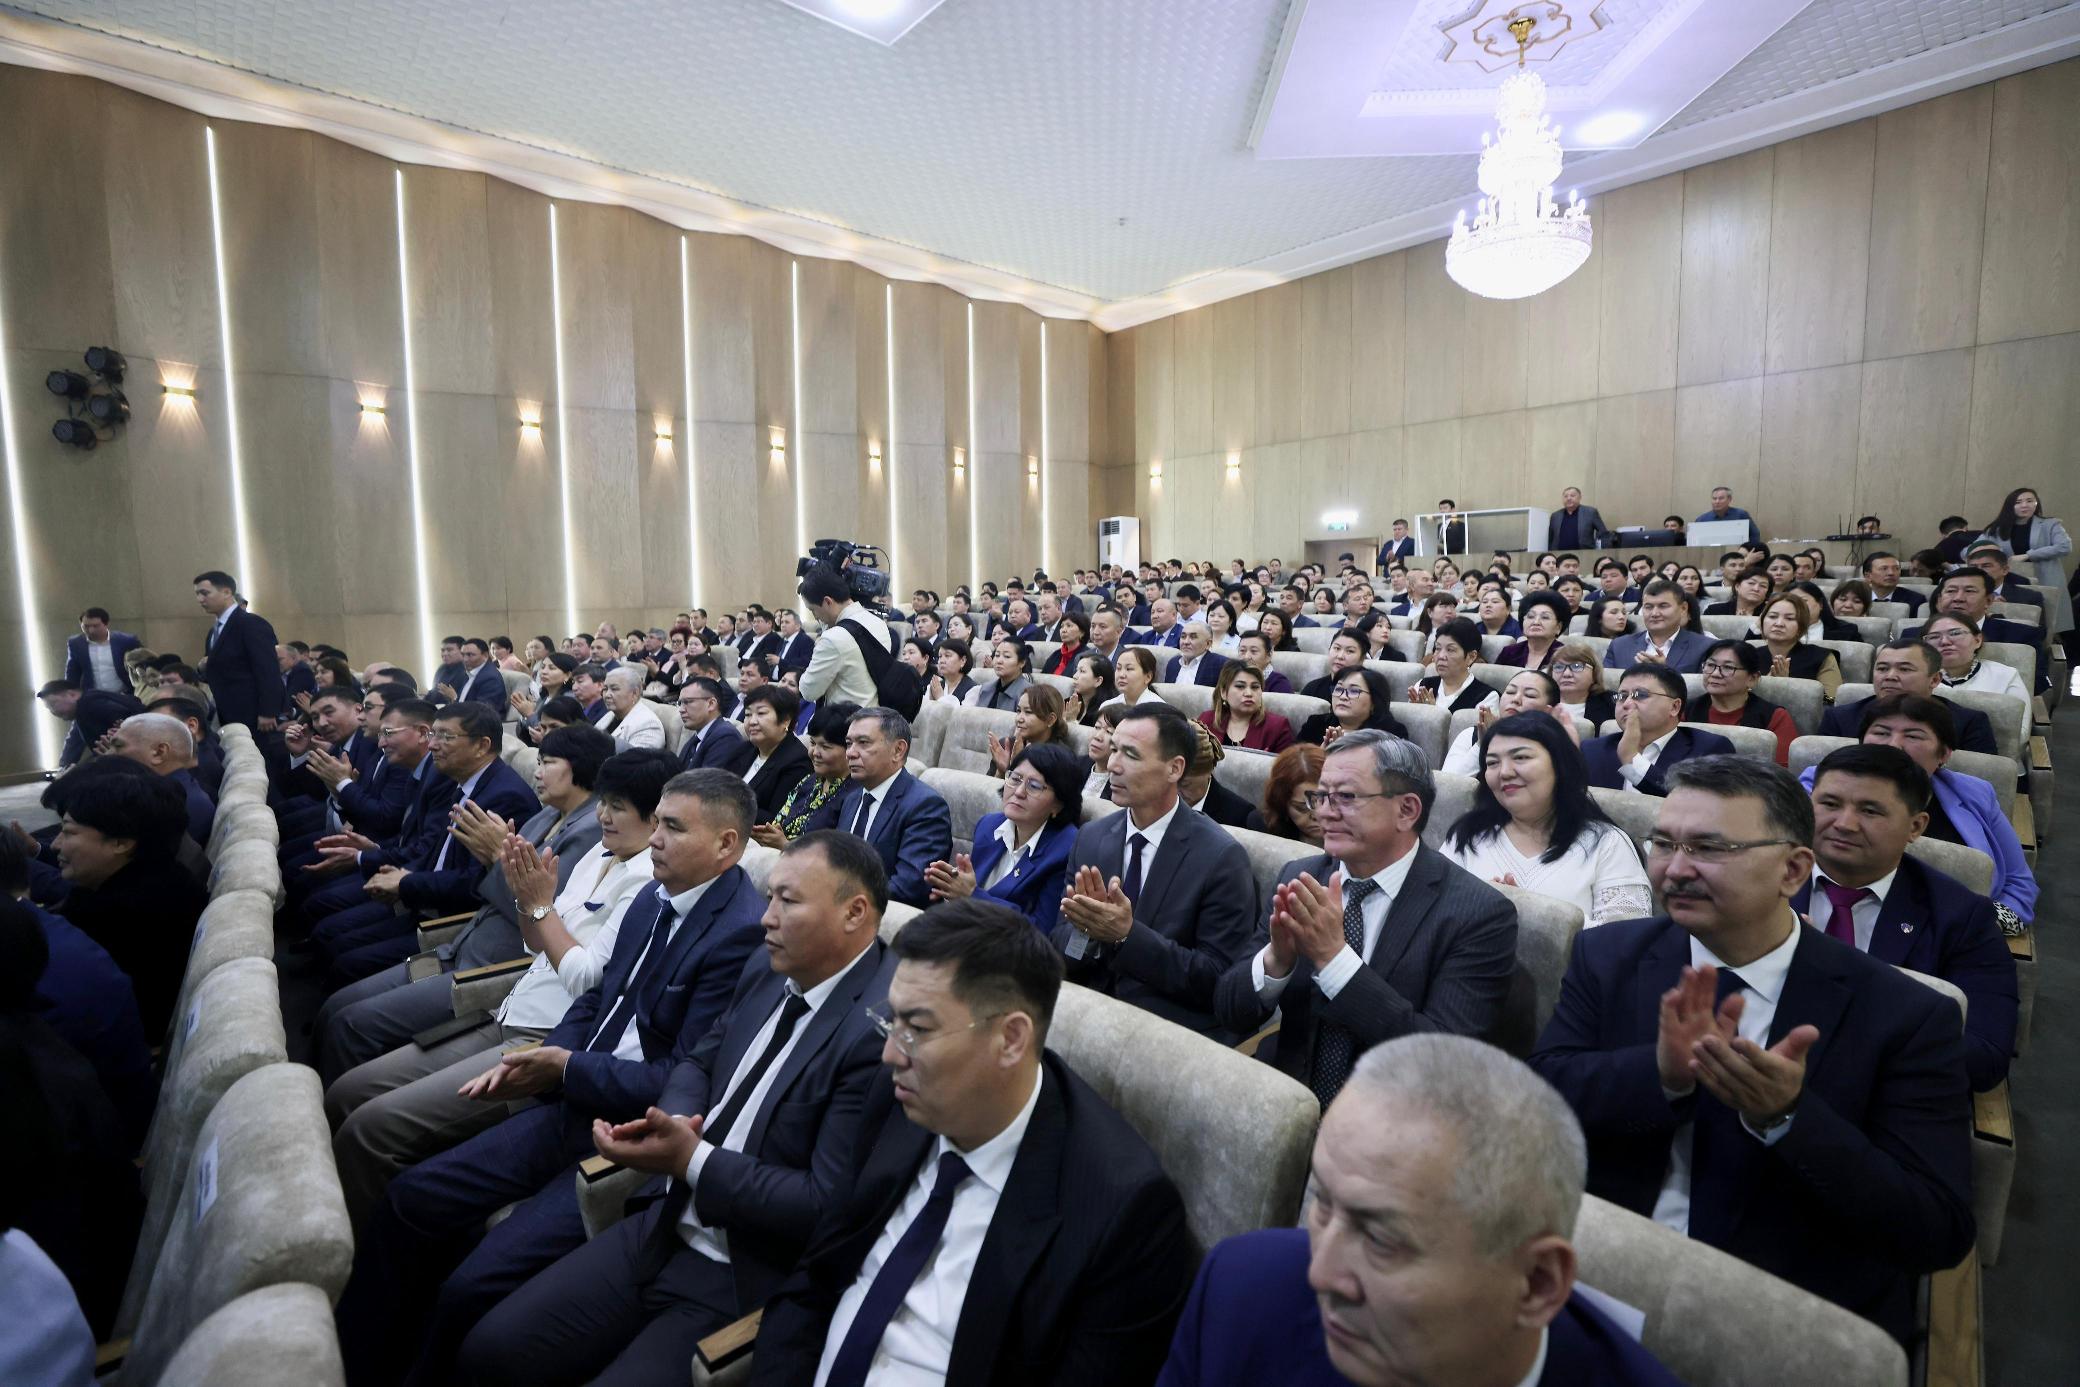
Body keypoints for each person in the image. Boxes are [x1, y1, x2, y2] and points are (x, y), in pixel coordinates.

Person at [334, 770, 769, 1386]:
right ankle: (346, 1362)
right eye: (658, 824)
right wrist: (547, 1062)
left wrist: (566, 1067)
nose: (656, 839)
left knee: (471, 1286)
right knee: (411, 1198)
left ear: (726, 844)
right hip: (570, 1098)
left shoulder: (741, 934)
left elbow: (680, 1078)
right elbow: (596, 1001)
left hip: (624, 1138)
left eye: (673, 828)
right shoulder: (654, 894)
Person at [1530, 757, 1975, 1343]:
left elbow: (1934, 1228)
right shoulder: (1609, 956)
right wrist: (1661, 1076)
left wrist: (1788, 1116)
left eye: (1709, 848)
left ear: (1793, 870)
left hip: (1780, 1309)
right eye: (1664, 844)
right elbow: (1542, 1098)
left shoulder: (1906, 1014)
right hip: (1608, 1266)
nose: (1676, 869)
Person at [456, 831, 897, 1385]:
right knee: (491, 1347)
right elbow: (696, 1062)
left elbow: (821, 1203)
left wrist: (691, 1159)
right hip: (665, 1221)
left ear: (855, 912)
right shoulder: (768, 967)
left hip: (742, 1270)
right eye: (770, 898)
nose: (767, 918)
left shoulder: (882, 1032)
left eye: (788, 901)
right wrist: (677, 1124)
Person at [749, 898, 1195, 1387]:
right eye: (892, 1020)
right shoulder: (901, 1098)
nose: (890, 1053)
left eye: (918, 1028)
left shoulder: (1122, 1213)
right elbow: (816, 1277)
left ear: (1011, 1039)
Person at [1158, 1035, 1683, 1387]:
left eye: (1381, 1240)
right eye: (1323, 1204)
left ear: (1537, 1283)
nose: (1320, 1274)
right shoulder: (1241, 1292)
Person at [324, 735, 640, 1222]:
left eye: (616, 807)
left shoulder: (640, 877)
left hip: (530, 1017)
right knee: (348, 1089)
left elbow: (581, 974)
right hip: (507, 996)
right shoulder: (588, 844)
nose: (604, 815)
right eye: (604, 804)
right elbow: (535, 936)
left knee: (369, 1123)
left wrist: (524, 889)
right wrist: (523, 891)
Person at [1214, 728, 1518, 1099]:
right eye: (1321, 796)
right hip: (1286, 1098)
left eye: (1345, 797)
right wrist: (1275, 961)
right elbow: (1230, 1011)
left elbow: (1443, 1065)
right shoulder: (1302, 876)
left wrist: (1334, 961)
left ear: (1406, 810)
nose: (1324, 812)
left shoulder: (1479, 914)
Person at [1802, 745, 2016, 1091]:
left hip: (1881, 1098)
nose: (1844, 824)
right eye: (1829, 804)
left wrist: (1847, 1000)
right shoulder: (1755, 881)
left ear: (1916, 826)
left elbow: (1985, 1056)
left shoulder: (1961, 916)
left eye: (1870, 811)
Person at [1054, 706, 1257, 1038]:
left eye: (1131, 755)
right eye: (1114, 749)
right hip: (1085, 1011)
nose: (1113, 764)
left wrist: (1126, 935)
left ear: (1174, 768)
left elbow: (1217, 979)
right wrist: (1087, 931)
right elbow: (1061, 940)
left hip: (1164, 1030)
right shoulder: (1092, 837)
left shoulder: (1221, 857)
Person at [1840, 694, 2036, 924]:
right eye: (1881, 733)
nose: (1893, 745)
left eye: (1913, 736)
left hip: (1959, 930)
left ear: (1943, 754)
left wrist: (1980, 926)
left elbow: (2018, 881)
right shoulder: (1821, 786)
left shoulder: (1976, 794)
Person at [1445, 712, 1650, 929]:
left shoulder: (1607, 844)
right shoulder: (1468, 835)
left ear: (1559, 765)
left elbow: (1624, 941)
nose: (1504, 772)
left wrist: (1527, 912)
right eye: (1492, 762)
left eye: (1521, 757)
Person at [47, 761, 207, 1038]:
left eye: (69, 832)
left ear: (121, 843)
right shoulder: (167, 876)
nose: (55, 844)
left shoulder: (115, 916)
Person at [801, 707, 952, 910]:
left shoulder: (925, 807)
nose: (850, 753)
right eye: (849, 743)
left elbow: (909, 889)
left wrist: (836, 898)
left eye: (863, 743)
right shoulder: (852, 799)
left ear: (898, 750)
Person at [925, 743, 1083, 935]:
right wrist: (950, 888)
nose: (1019, 792)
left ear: (1058, 804)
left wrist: (972, 895)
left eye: (1034, 786)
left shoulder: (1068, 849)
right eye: (1015, 779)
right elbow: (970, 889)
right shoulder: (989, 825)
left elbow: (1041, 931)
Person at [1818, 639, 1998, 753]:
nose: (1890, 676)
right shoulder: (1839, 718)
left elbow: (1978, 782)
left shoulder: (1969, 722)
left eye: (1904, 669)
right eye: (1882, 668)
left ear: (1935, 679)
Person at [1582, 667, 1737, 796]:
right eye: (1622, 696)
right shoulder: (1592, 749)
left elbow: (1693, 807)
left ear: (1674, 707)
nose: (1627, 704)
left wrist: (1631, 760)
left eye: (1640, 695)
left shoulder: (1709, 749)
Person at [192, 569, 288, 732]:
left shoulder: (251, 624)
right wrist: (202, 668)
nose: (200, 599)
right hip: (226, 711)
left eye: (205, 593)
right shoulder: (214, 631)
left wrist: (268, 711)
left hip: (253, 713)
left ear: (226, 592)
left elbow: (268, 669)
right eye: (197, 594)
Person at [752, 702, 858, 848]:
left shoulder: (855, 794)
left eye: (825, 747)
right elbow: (779, 822)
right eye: (813, 743)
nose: (815, 753)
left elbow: (839, 852)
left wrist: (786, 846)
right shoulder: (810, 780)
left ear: (850, 749)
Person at [105, 712, 216, 847]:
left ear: (159, 752)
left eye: (118, 746)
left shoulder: (163, 807)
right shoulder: (185, 794)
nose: (107, 754)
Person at [1977, 485, 2072, 637]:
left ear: (2036, 503)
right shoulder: (1997, 528)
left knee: (2049, 623)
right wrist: (1994, 552)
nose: (2025, 505)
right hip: (2011, 580)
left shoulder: (2050, 524)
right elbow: (1971, 550)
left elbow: (2064, 547)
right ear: (2010, 506)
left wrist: (2029, 555)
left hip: (2046, 578)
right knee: (2015, 622)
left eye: (2030, 501)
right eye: (2018, 502)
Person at [1685, 640, 1796, 765]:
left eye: (1728, 667)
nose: (1715, 674)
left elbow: (1782, 770)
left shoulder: (1775, 717)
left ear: (1752, 678)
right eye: (1710, 665)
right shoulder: (1684, 711)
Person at [797, 566, 891, 709]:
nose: (815, 617)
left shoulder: (832, 639)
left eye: (813, 609)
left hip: (845, 719)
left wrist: (820, 642)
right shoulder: (878, 623)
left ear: (828, 602)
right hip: (874, 714)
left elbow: (808, 692)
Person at [1440, 669, 1566, 776]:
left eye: (1530, 695)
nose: (1515, 699)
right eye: (1510, 692)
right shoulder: (1472, 734)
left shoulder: (1555, 745)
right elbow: (1450, 785)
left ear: (1549, 711)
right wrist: (1483, 744)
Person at [1606, 580, 1713, 673]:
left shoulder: (1706, 647)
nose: (1655, 613)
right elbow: (1605, 686)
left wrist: (1665, 670)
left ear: (1683, 608)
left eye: (1663, 606)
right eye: (1648, 607)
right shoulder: (1619, 646)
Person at [1924, 613, 2030, 703]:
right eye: (1934, 637)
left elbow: (2021, 720)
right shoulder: (1918, 677)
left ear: (1977, 640)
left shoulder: (2005, 676)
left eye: (1955, 633)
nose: (1944, 642)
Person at [1754, 594, 1842, 700]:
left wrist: (1787, 685)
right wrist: (1764, 685)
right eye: (1772, 616)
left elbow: (1831, 701)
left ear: (1801, 627)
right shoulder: (1748, 656)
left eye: (1789, 618)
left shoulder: (1822, 657)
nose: (1779, 623)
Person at [1199, 661, 1294, 753]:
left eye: (1255, 687)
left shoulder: (1277, 727)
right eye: (1240, 686)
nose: (1249, 693)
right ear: (1223, 692)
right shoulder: (1206, 721)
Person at [1298, 667, 1406, 748]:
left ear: (1374, 702)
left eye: (1354, 691)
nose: (1343, 696)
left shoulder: (1391, 733)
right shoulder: (1315, 724)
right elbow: (1295, 762)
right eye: (1339, 689)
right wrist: (1320, 756)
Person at [1247, 743, 1326, 845]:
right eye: (1302, 808)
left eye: (1324, 803)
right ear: (1282, 803)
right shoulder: (1263, 826)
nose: (1316, 815)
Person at [675, 676, 756, 774]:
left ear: (711, 704)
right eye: (680, 703)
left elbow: (707, 781)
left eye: (687, 702)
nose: (681, 710)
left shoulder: (726, 737)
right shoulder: (698, 737)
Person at [65, 607, 141, 695]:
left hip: (125, 694)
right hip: (93, 695)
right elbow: (72, 672)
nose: (91, 630)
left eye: (95, 626)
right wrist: (70, 693)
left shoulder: (126, 641)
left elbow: (142, 663)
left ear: (106, 624)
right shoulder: (76, 643)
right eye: (86, 626)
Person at [594, 667, 668, 750]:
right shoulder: (611, 714)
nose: (607, 695)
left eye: (614, 689)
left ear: (634, 693)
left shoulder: (648, 725)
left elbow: (635, 757)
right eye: (605, 689)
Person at [1496, 590, 1568, 672]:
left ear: (1558, 627)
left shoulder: (1565, 656)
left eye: (1545, 617)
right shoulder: (1509, 652)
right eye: (1530, 616)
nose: (1536, 622)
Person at [964, 637, 1034, 712]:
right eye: (997, 655)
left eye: (1007, 656)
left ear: (1022, 663)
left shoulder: (1029, 694)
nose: (999, 661)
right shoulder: (985, 688)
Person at [1298, 630, 1366, 702]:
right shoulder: (1312, 688)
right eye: (1337, 648)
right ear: (1329, 650)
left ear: (1362, 658)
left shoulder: (1367, 690)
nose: (1340, 656)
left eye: (1350, 651)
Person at [1162, 621, 1227, 687]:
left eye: (1193, 637)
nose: (1186, 642)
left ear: (1208, 644)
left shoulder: (1220, 665)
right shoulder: (1173, 663)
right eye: (1183, 636)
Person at [1859, 551, 1925, 614]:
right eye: (1884, 569)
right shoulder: (1858, 598)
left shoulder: (1916, 600)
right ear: (1868, 576)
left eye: (1896, 568)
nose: (1891, 573)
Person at [1547, 485, 1611, 551]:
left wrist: (1600, 551)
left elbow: (1603, 533)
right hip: (1559, 554)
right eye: (1565, 496)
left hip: (1584, 553)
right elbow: (1550, 539)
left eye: (1572, 495)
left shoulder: (1590, 512)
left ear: (1580, 497)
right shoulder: (1555, 516)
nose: (1568, 498)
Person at [1103, 646, 1166, 710]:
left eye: (1129, 669)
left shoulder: (1159, 709)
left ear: (1148, 677)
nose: (1121, 675)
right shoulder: (1107, 706)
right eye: (1118, 668)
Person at [1694, 485, 1761, 544]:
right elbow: (1695, 541)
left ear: (1729, 499)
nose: (1717, 501)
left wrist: (1747, 549)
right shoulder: (1701, 520)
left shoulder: (1741, 515)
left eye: (1721, 498)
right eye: (1714, 498)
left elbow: (1754, 535)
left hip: (1737, 552)